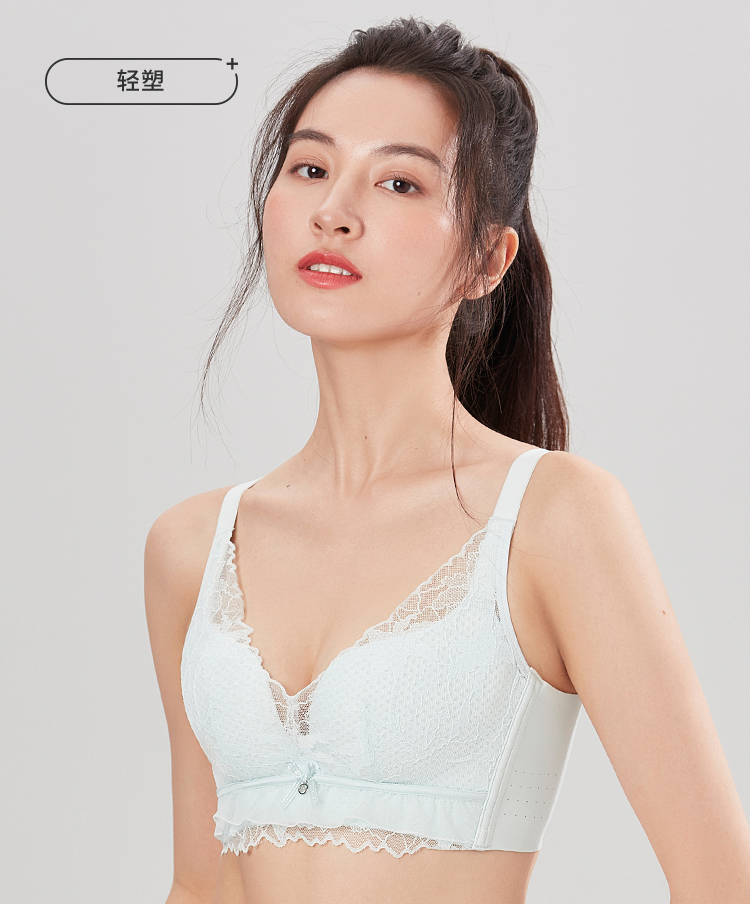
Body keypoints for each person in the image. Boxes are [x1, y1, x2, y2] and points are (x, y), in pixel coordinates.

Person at [144, 16, 750, 904]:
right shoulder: (193, 546)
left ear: (486, 260)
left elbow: (721, 881)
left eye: (399, 181)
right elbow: (202, 887)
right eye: (309, 168)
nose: (333, 210)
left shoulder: (551, 517)